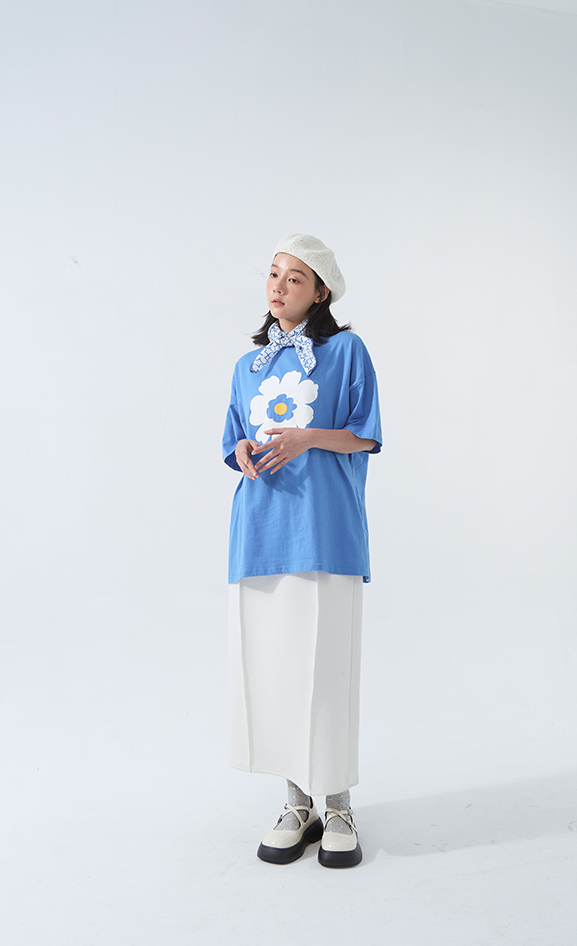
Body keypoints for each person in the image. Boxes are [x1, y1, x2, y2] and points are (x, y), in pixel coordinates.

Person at [222, 234, 382, 868]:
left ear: (320, 292)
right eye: (273, 274)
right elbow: (236, 439)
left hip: (325, 530)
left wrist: (309, 437)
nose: (279, 286)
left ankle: (337, 804)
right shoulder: (246, 366)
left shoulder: (346, 352)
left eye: (294, 277)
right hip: (260, 531)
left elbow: (366, 435)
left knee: (327, 669)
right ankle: (298, 803)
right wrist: (242, 450)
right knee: (276, 670)